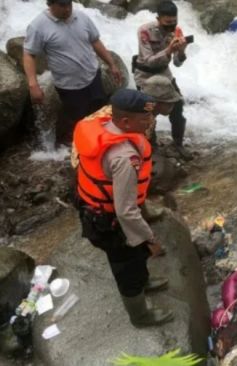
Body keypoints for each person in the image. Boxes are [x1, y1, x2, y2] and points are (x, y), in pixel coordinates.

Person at [71, 89, 173, 327]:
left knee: (136, 259)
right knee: (127, 270)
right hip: (111, 225)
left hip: (94, 211)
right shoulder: (124, 158)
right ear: (126, 121)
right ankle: (140, 316)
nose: (150, 121)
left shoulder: (106, 123)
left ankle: (144, 279)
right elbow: (126, 212)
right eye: (145, 118)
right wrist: (150, 239)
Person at [23, 0, 122, 145]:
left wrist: (112, 64)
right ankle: (77, 148)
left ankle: (101, 143)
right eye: (62, 5)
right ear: (50, 4)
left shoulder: (82, 17)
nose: (67, 9)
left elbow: (95, 41)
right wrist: (33, 84)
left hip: (93, 75)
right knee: (77, 120)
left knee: (100, 113)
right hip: (69, 86)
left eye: (69, 4)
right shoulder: (38, 26)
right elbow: (29, 54)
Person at [132, 0, 193, 161]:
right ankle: (151, 146)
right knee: (148, 112)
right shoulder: (144, 31)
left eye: (174, 23)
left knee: (178, 108)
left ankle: (178, 143)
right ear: (158, 19)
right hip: (145, 75)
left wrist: (181, 51)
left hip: (165, 73)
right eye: (167, 24)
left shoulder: (176, 31)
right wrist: (168, 49)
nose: (171, 27)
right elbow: (148, 60)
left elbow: (178, 64)